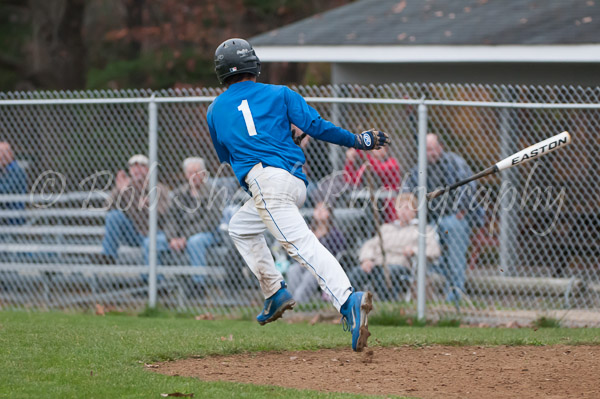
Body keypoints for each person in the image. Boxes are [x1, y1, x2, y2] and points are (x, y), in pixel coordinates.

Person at [207, 38, 389, 352]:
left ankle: (348, 300)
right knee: (240, 227)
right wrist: (360, 141)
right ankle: (274, 291)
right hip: (293, 181)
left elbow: (229, 154)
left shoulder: (214, 110)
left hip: (264, 182)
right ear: (254, 66)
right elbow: (317, 127)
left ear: (222, 73)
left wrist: (269, 144)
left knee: (301, 246)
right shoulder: (281, 93)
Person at [403, 133, 481, 304]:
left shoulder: (455, 162)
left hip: (454, 216)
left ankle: (454, 296)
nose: (430, 153)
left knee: (452, 229)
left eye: (432, 149)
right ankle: (424, 297)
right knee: (417, 236)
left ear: (440, 147)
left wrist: (462, 208)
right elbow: (407, 191)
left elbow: (469, 185)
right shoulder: (419, 168)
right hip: (428, 220)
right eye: (426, 149)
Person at [350, 193, 441, 299]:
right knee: (357, 273)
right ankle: (349, 304)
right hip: (378, 263)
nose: (403, 211)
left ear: (414, 211)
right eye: (400, 207)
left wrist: (414, 250)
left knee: (383, 274)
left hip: (401, 264)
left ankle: (387, 305)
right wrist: (367, 259)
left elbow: (434, 250)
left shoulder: (423, 230)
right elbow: (369, 245)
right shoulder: (386, 228)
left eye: (407, 208)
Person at [98, 154, 170, 264]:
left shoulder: (159, 188)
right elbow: (107, 207)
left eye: (141, 166)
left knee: (151, 242)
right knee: (114, 216)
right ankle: (108, 256)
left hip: (154, 232)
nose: (137, 170)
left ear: (148, 169)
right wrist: (119, 190)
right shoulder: (125, 185)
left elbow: (167, 213)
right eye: (133, 167)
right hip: (133, 233)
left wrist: (150, 206)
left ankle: (148, 279)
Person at [165, 157, 221, 283]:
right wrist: (172, 238)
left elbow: (210, 222)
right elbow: (171, 218)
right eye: (190, 172)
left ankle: (198, 284)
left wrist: (185, 237)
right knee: (153, 242)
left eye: (197, 172)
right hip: (180, 236)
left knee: (195, 242)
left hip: (208, 234)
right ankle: (157, 285)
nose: (194, 176)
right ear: (185, 175)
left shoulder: (213, 193)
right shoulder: (179, 193)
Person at [287, 201, 346, 303]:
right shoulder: (308, 230)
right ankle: (290, 301)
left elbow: (335, 252)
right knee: (293, 270)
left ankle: (298, 303)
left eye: (323, 209)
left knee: (309, 276)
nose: (319, 211)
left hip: (322, 266)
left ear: (329, 213)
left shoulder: (334, 233)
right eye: (317, 209)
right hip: (304, 263)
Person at [344, 146, 401, 222]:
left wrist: (359, 150)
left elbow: (379, 169)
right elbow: (352, 181)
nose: (376, 149)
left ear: (386, 149)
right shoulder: (367, 164)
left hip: (387, 205)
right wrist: (350, 161)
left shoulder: (392, 162)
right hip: (368, 203)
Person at [0, 142, 27, 225]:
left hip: (13, 215)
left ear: (11, 154)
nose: (2, 155)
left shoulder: (17, 170)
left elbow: (6, 190)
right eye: (0, 152)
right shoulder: (2, 170)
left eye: (5, 152)